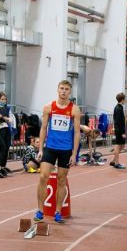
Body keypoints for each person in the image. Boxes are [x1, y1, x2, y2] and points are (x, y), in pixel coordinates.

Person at [34, 80, 81, 223]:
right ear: (57, 90)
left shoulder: (74, 109)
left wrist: (74, 154)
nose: (63, 91)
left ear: (70, 92)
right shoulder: (48, 107)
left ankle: (58, 212)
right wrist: (41, 149)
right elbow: (43, 128)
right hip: (50, 147)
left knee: (61, 180)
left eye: (66, 89)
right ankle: (40, 211)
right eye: (61, 88)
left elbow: (77, 132)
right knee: (43, 176)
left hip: (65, 149)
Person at [0, 92, 15, 176]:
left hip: (7, 129)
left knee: (7, 147)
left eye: (5, 99)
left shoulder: (8, 109)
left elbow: (11, 119)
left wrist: (6, 118)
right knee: (2, 147)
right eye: (2, 99)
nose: (4, 100)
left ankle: (3, 166)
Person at [109, 93, 126, 169]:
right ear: (122, 100)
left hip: (119, 129)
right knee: (119, 146)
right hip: (119, 130)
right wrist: (122, 132)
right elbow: (119, 122)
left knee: (121, 146)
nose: (125, 100)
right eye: (124, 99)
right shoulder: (118, 108)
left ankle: (113, 161)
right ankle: (117, 163)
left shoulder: (119, 107)